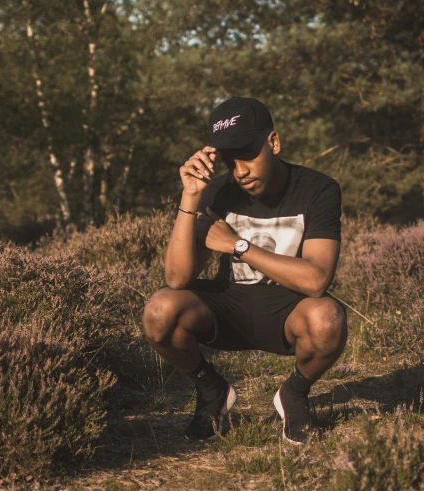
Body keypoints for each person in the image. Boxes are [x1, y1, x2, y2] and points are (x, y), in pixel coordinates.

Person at [142, 97, 348, 444]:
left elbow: (316, 281)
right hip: (229, 309)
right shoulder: (219, 191)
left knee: (328, 319)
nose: (239, 170)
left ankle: (294, 395)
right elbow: (177, 279)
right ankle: (212, 392)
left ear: (274, 143)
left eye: (247, 154)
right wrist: (191, 196)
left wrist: (240, 246)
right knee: (160, 310)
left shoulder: (318, 189)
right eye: (228, 159)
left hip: (289, 310)